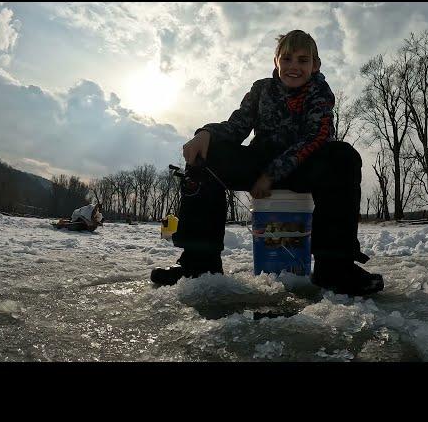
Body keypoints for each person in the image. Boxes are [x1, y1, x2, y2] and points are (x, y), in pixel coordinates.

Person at [150, 30, 384, 296]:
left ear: (315, 65)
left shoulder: (321, 92)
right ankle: (199, 264)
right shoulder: (261, 89)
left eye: (302, 60)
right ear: (276, 62)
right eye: (286, 59)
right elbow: (236, 126)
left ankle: (335, 268)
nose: (293, 66)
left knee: (344, 157)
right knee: (207, 155)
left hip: (301, 166)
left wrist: (271, 175)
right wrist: (205, 133)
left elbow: (316, 137)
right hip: (259, 160)